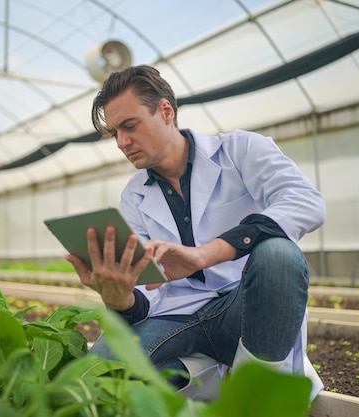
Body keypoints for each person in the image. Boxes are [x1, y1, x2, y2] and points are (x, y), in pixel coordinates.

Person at [66, 64, 325, 400]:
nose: (121, 142)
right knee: (99, 373)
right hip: (178, 315)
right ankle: (209, 376)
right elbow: (148, 293)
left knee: (279, 254)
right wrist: (121, 299)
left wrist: (205, 254)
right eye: (115, 133)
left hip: (245, 306)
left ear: (165, 111)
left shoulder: (240, 151)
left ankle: (257, 396)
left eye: (129, 126)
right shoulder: (134, 195)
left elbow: (305, 202)